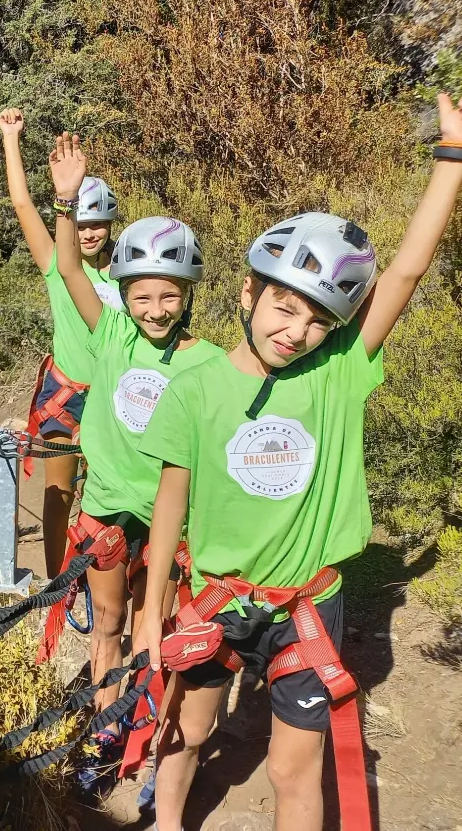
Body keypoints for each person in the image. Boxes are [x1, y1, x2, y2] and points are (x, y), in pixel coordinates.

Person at [134, 92, 462, 831]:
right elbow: (170, 503)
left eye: (319, 319)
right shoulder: (194, 389)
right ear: (247, 291)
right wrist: (153, 609)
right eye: (285, 307)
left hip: (307, 604)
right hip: (218, 594)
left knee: (293, 769)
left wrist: (452, 158)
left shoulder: (338, 371)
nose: (299, 330)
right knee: (187, 731)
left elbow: (404, 275)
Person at [41, 130, 223, 794]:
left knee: (163, 627)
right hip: (109, 506)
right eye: (142, 296)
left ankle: (154, 736)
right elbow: (67, 269)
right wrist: (65, 200)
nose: (154, 310)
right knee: (109, 624)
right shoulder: (112, 328)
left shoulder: (207, 363)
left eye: (168, 297)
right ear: (125, 297)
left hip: (168, 519)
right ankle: (107, 724)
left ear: (189, 295)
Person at [0, 107, 123, 581]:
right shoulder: (56, 262)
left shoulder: (124, 278)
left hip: (111, 394)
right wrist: (12, 139)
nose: (89, 232)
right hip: (67, 391)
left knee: (108, 495)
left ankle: (103, 576)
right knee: (60, 493)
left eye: (99, 224)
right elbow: (23, 206)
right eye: (82, 223)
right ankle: (56, 583)